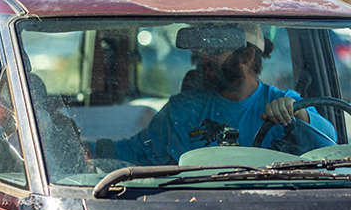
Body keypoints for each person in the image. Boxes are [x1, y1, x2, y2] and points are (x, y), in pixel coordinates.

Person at [105, 23, 337, 165]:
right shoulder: (183, 109)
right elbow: (135, 152)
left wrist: (301, 116)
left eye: (216, 50)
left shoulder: (286, 104)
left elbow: (332, 145)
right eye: (203, 49)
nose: (204, 58)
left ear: (246, 55)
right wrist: (87, 148)